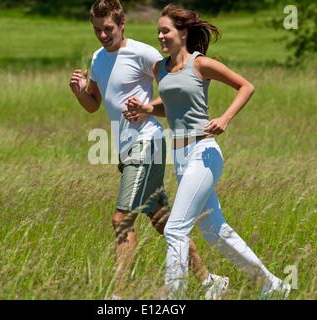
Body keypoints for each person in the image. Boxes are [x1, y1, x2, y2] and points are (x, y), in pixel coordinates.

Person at [124, 3, 291, 299]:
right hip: (180, 157)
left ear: (184, 33)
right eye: (158, 32)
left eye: (166, 31)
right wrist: (147, 108)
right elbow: (172, 106)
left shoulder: (201, 64)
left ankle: (172, 299)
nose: (161, 37)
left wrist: (225, 118)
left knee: (175, 229)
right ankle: (272, 284)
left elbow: (246, 86)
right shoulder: (161, 69)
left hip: (204, 152)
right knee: (216, 232)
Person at [69, 0, 228, 300]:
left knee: (121, 219)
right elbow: (93, 104)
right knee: (163, 221)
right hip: (125, 149)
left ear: (122, 23)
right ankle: (210, 281)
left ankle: (117, 296)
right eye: (97, 30)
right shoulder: (98, 58)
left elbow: (176, 93)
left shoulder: (144, 53)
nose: (102, 36)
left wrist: (147, 109)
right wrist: (80, 93)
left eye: (108, 29)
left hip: (148, 143)